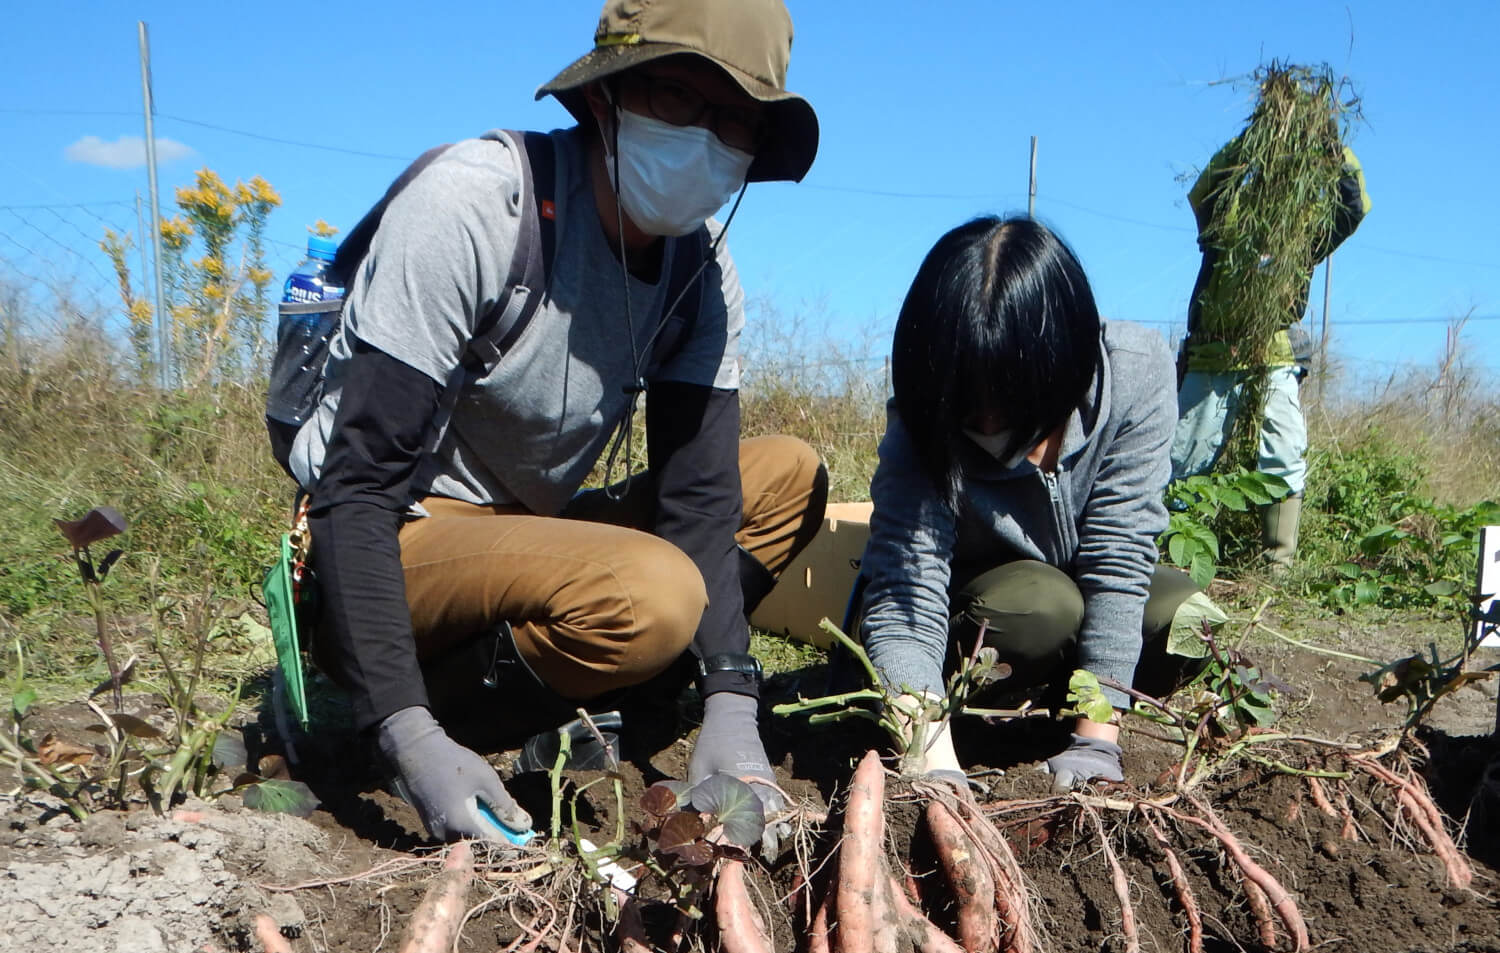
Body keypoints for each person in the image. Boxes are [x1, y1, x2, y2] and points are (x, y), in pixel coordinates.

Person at [290, 0, 827, 846]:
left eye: (735, 121)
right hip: (402, 536)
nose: (707, 138)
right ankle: (428, 704)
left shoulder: (700, 272)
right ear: (607, 96)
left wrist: (731, 701)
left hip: (533, 532)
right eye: (682, 99)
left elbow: (700, 498)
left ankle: (626, 683)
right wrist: (406, 731)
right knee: (653, 595)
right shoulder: (477, 208)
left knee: (786, 476)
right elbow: (354, 492)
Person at [855, 216, 1196, 793]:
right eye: (971, 406)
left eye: (1009, 404)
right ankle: (964, 710)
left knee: (1179, 612)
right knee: (1045, 606)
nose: (988, 425)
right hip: (981, 617)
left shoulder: (1135, 371)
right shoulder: (924, 410)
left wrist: (1096, 738)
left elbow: (1119, 554)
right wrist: (930, 756)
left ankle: (1071, 702)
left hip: (1077, 597)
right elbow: (907, 589)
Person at [1170, 132, 1371, 565]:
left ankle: (1278, 563)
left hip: (1275, 353)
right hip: (1214, 354)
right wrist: (1249, 141)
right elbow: (1202, 190)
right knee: (1184, 457)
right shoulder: (1224, 217)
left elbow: (1353, 207)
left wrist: (1336, 154)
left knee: (1284, 451)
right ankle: (1169, 553)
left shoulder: (1306, 229)